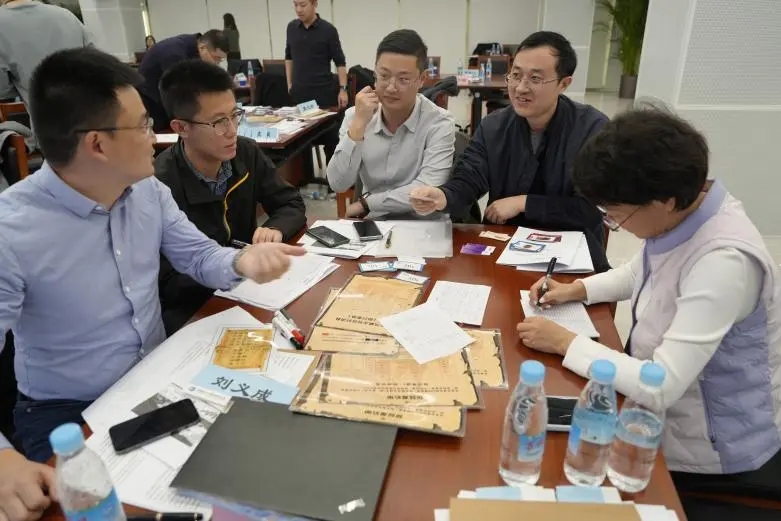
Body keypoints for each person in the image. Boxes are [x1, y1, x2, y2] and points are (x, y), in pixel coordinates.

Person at [0, 47, 304, 520]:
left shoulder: (147, 192)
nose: (155, 135)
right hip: (68, 414)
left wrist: (242, 260)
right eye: (143, 125)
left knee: (257, 471)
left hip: (154, 379)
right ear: (97, 144)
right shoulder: (12, 231)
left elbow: (197, 254)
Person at [517, 107, 781, 501]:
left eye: (616, 216)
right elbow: (640, 271)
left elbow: (662, 385)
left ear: (664, 201)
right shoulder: (687, 211)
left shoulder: (724, 263)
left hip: (708, 449)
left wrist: (564, 342)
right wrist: (576, 289)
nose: (615, 224)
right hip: (654, 416)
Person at [410, 31, 610, 271]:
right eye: (515, 75)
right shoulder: (494, 126)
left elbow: (593, 209)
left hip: (571, 255)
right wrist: (444, 196)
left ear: (563, 84)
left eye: (535, 78)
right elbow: (469, 177)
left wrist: (525, 203)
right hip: (505, 247)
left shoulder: (593, 130)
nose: (520, 88)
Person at [156, 60, 306, 334]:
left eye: (234, 115)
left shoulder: (245, 153)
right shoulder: (160, 184)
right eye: (218, 122)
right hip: (197, 311)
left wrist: (275, 228)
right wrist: (238, 264)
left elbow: (290, 202)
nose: (232, 130)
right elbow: (168, 280)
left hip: (253, 292)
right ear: (181, 128)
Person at [326, 29, 455, 219]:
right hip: (374, 224)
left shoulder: (439, 123)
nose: (391, 87)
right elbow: (338, 183)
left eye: (403, 79)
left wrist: (368, 203)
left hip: (423, 224)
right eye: (384, 76)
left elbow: (427, 188)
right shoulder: (356, 116)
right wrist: (358, 125)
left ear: (421, 79)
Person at [285, 0, 348, 181]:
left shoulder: (328, 30)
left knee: (330, 138)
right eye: (295, 5)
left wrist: (343, 89)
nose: (299, 9)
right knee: (299, 139)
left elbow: (340, 62)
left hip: (323, 94)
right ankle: (303, 179)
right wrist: (289, 83)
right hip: (300, 94)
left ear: (314, 4)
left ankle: (332, 181)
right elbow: (288, 57)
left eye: (303, 5)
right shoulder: (291, 28)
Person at [0, 0, 93, 107]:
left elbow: (2, 90)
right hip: (92, 109)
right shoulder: (65, 15)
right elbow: (96, 61)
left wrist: (23, 87)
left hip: (47, 113)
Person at [137, 29, 229, 132]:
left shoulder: (195, 47)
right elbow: (179, 92)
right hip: (150, 99)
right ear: (203, 47)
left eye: (220, 60)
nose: (217, 63)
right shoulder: (175, 54)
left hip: (163, 96)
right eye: (216, 58)